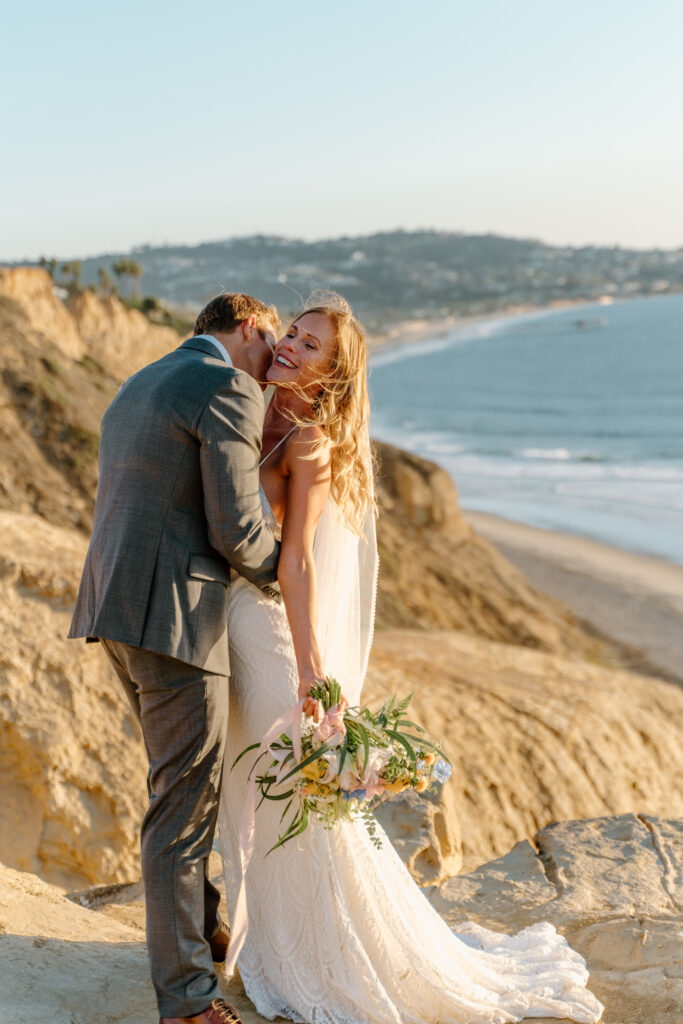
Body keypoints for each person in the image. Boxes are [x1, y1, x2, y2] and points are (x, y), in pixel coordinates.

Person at [218, 295, 604, 1024]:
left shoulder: (307, 442)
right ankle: (268, 939)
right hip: (228, 627)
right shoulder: (247, 406)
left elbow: (295, 561)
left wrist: (308, 669)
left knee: (288, 795)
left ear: (332, 375)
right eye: (292, 335)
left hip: (268, 632)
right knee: (252, 789)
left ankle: (329, 958)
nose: (291, 349)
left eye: (310, 347)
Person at [69, 292, 283, 1024]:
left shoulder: (142, 379)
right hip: (177, 615)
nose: (269, 370)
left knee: (181, 788)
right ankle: (188, 1001)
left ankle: (205, 930)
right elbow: (235, 526)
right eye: (270, 347)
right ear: (249, 328)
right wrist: (296, 572)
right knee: (183, 808)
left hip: (116, 605)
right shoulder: (225, 385)